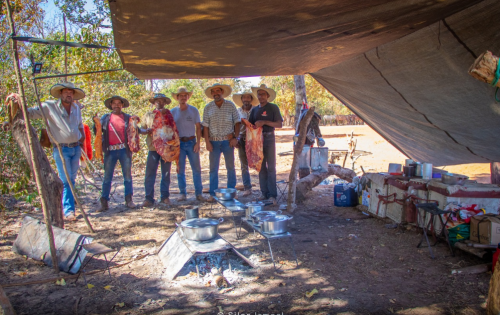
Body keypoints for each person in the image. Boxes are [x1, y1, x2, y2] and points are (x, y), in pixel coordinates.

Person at [7, 82, 86, 221]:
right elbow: (29, 113)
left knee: (72, 180)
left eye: (71, 92)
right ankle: (68, 211)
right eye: (66, 92)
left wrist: (81, 140)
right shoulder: (49, 107)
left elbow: (80, 125)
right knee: (65, 181)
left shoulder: (76, 108)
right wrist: (17, 101)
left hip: (75, 148)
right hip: (61, 149)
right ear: (60, 94)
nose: (69, 94)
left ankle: (70, 206)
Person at [95, 96, 136, 212]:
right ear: (111, 105)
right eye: (114, 103)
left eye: (119, 103)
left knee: (127, 176)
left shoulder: (128, 118)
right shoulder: (105, 118)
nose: (116, 105)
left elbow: (134, 131)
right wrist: (96, 123)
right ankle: (104, 202)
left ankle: (129, 200)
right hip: (110, 150)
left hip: (124, 150)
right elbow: (97, 131)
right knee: (107, 177)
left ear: (122, 105)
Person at [202, 83, 241, 202]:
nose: (215, 93)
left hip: (227, 142)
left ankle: (231, 192)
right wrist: (207, 142)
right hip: (213, 142)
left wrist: (235, 137)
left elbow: (237, 122)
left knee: (230, 167)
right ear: (211, 94)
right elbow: (205, 127)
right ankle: (213, 194)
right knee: (213, 169)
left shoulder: (230, 105)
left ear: (222, 92)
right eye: (213, 92)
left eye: (218, 91)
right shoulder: (208, 107)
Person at [249, 84, 283, 204]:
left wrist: (264, 122)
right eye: (259, 94)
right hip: (257, 141)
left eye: (263, 94)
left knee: (271, 167)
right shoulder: (254, 110)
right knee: (261, 167)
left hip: (269, 138)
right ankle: (264, 193)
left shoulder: (273, 108)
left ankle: (272, 195)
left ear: (267, 96)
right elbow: (250, 126)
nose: (261, 96)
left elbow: (279, 124)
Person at [170, 87, 206, 202]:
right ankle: (182, 193)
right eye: (181, 95)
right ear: (177, 97)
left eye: (185, 95)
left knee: (196, 169)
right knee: (180, 169)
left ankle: (199, 193)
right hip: (178, 143)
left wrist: (198, 143)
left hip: (191, 142)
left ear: (188, 97)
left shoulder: (193, 110)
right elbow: (170, 129)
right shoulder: (173, 112)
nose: (183, 97)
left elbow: (198, 128)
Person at [141, 93, 174, 207]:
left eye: (161, 101)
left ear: (165, 102)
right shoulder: (148, 115)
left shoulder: (169, 114)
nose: (159, 102)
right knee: (150, 173)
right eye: (157, 101)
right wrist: (146, 131)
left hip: (166, 148)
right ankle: (148, 198)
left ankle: (165, 197)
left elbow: (173, 129)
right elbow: (142, 128)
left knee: (165, 173)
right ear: (154, 103)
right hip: (153, 148)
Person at [232, 92, 259, 197]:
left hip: (254, 139)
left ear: (251, 99)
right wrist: (236, 138)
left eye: (248, 97)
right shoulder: (237, 111)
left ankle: (264, 187)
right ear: (242, 99)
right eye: (244, 97)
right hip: (242, 138)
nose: (246, 99)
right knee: (244, 164)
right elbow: (234, 126)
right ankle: (247, 187)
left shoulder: (256, 110)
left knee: (259, 162)